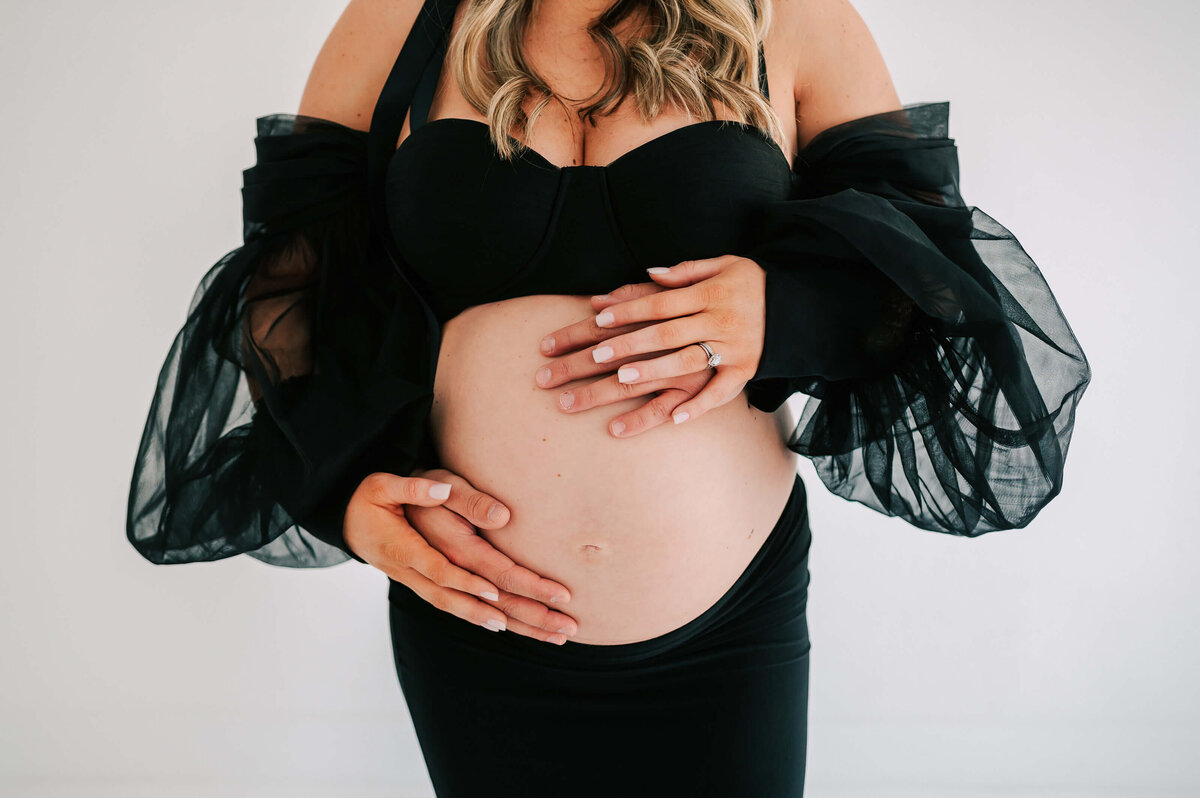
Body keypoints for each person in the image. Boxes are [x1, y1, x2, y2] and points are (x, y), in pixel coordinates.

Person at [125, 0, 1091, 794]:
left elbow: (929, 282)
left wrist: (778, 307)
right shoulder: (399, 21)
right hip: (479, 618)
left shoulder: (788, 17)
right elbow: (291, 294)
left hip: (731, 626)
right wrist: (341, 493)